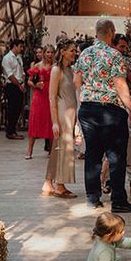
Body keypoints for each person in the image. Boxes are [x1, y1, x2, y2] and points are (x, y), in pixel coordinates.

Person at [74, 19, 131, 212]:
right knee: (116, 156)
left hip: (88, 109)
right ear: (111, 32)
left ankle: (92, 198)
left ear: (97, 33)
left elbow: (76, 80)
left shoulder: (85, 54)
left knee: (92, 155)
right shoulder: (115, 55)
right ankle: (119, 201)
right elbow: (120, 84)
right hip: (110, 110)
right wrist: (130, 108)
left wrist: (84, 96)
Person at [43, 39, 78, 198]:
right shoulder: (56, 70)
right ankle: (60, 185)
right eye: (71, 50)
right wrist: (55, 122)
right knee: (63, 148)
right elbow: (51, 97)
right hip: (63, 113)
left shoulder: (71, 69)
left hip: (70, 112)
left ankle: (48, 182)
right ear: (63, 51)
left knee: (58, 148)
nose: (74, 53)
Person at [25, 45, 54, 159]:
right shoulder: (37, 66)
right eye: (48, 52)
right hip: (39, 95)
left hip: (51, 95)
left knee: (50, 122)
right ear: (43, 53)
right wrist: (35, 85)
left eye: (52, 52)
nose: (50, 54)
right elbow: (29, 81)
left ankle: (51, 151)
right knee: (35, 121)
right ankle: (29, 151)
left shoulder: (56, 66)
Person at [2, 39, 26, 140]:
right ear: (14, 46)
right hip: (12, 85)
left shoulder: (19, 57)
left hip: (20, 84)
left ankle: (13, 129)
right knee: (12, 108)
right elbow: (10, 75)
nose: (22, 48)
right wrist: (18, 85)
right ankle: (10, 131)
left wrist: (23, 82)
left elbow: (22, 71)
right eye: (20, 46)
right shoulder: (7, 58)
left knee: (18, 108)